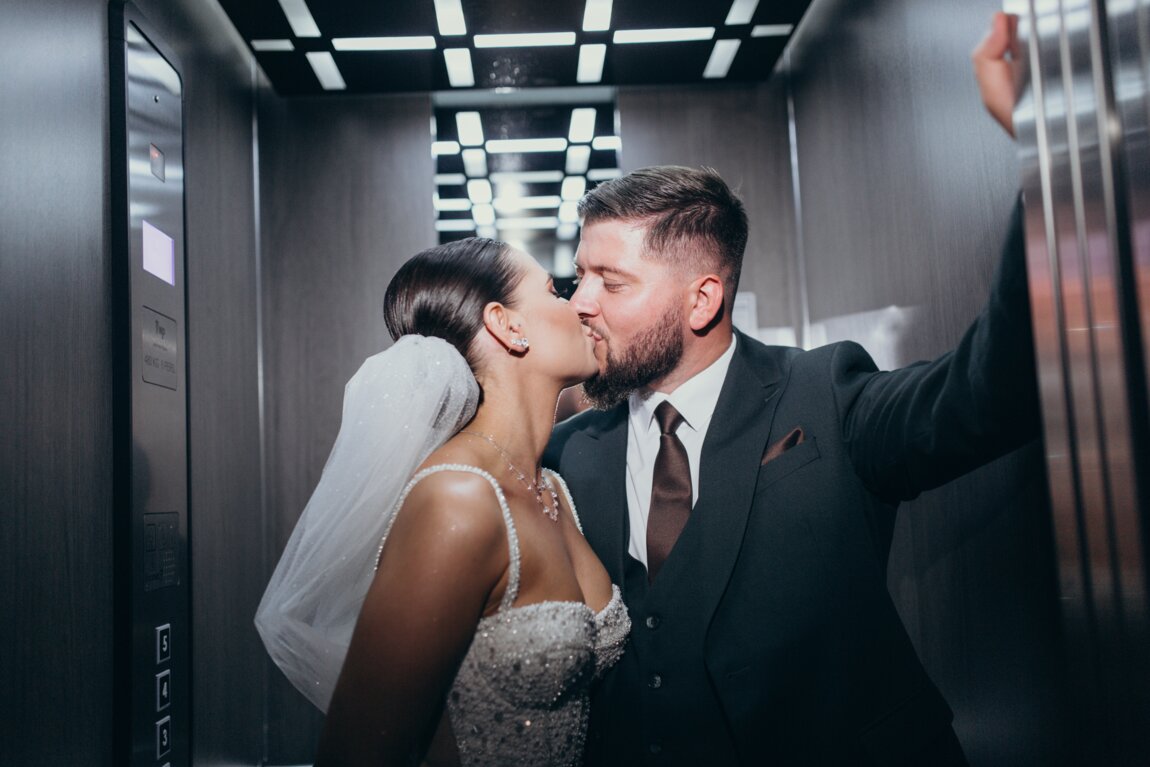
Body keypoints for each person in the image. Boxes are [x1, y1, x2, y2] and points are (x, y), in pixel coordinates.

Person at [544, 13, 1030, 766]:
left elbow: (989, 392)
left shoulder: (827, 394)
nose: (579, 302)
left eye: (610, 281)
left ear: (702, 300)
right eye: (579, 276)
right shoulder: (568, 455)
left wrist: (1046, 147)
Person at [255, 238, 630, 767]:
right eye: (554, 291)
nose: (579, 307)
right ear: (507, 325)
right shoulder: (458, 500)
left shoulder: (553, 489)